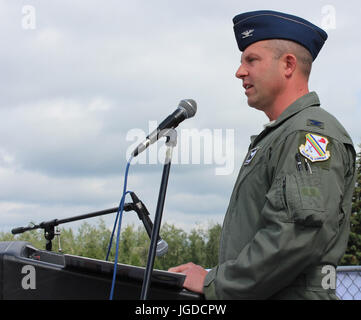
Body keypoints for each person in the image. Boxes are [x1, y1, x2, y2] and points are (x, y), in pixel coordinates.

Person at [168, 10, 357, 299]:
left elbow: (294, 237)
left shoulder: (307, 133)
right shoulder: (281, 134)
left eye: (251, 59)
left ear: (288, 65)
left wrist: (213, 282)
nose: (239, 71)